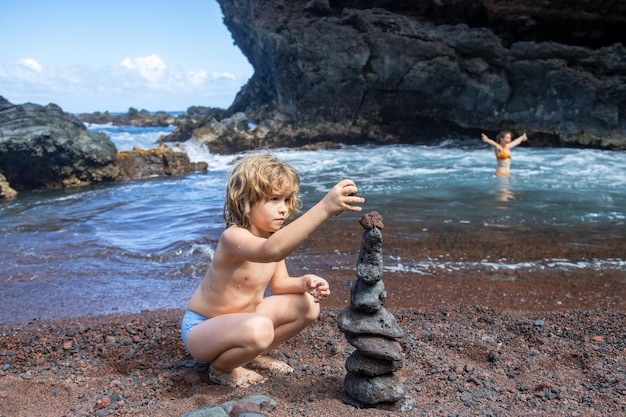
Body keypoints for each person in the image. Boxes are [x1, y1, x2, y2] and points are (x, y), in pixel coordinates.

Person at [181, 153, 365, 387]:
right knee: (260, 327)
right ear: (246, 201)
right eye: (274, 199)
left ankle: (251, 354)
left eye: (287, 200)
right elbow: (271, 251)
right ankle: (221, 368)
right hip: (203, 329)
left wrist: (304, 282)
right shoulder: (234, 237)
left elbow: (280, 283)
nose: (284, 209)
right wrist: (325, 208)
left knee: (307, 305)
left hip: (242, 322)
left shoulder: (271, 238)